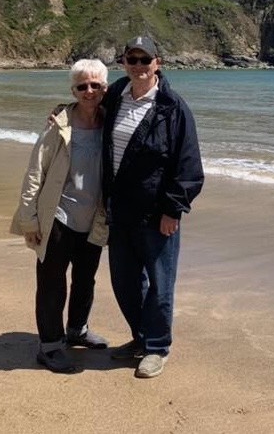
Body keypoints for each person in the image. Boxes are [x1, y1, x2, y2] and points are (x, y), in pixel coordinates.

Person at [102, 36, 204, 378]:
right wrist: (60, 113)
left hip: (156, 214)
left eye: (145, 60)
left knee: (160, 286)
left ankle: (157, 348)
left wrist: (173, 210)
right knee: (125, 282)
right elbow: (84, 107)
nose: (139, 66)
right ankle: (141, 338)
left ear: (157, 63)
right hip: (120, 211)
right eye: (133, 59)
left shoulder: (173, 108)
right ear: (124, 63)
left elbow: (188, 166)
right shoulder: (115, 95)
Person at [10, 59, 110, 374]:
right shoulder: (59, 124)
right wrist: (29, 221)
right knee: (52, 283)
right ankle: (50, 346)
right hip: (58, 217)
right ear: (73, 90)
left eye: (96, 85)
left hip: (94, 219)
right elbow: (34, 172)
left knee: (85, 280)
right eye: (82, 86)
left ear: (105, 88)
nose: (89, 91)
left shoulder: (111, 121)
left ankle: (77, 330)